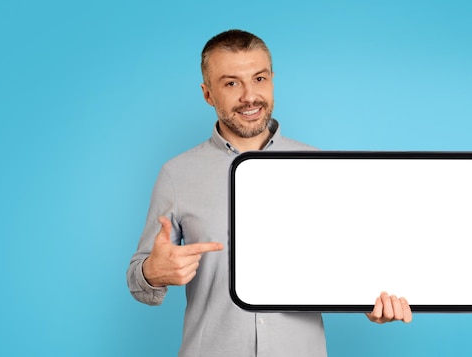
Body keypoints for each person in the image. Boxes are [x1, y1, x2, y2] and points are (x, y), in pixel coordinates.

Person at [126, 29, 412, 357]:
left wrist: (373, 300)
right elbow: (139, 276)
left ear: (273, 79)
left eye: (259, 78)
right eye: (231, 83)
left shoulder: (322, 168)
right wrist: (151, 272)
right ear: (208, 94)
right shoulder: (177, 174)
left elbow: (354, 263)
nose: (250, 96)